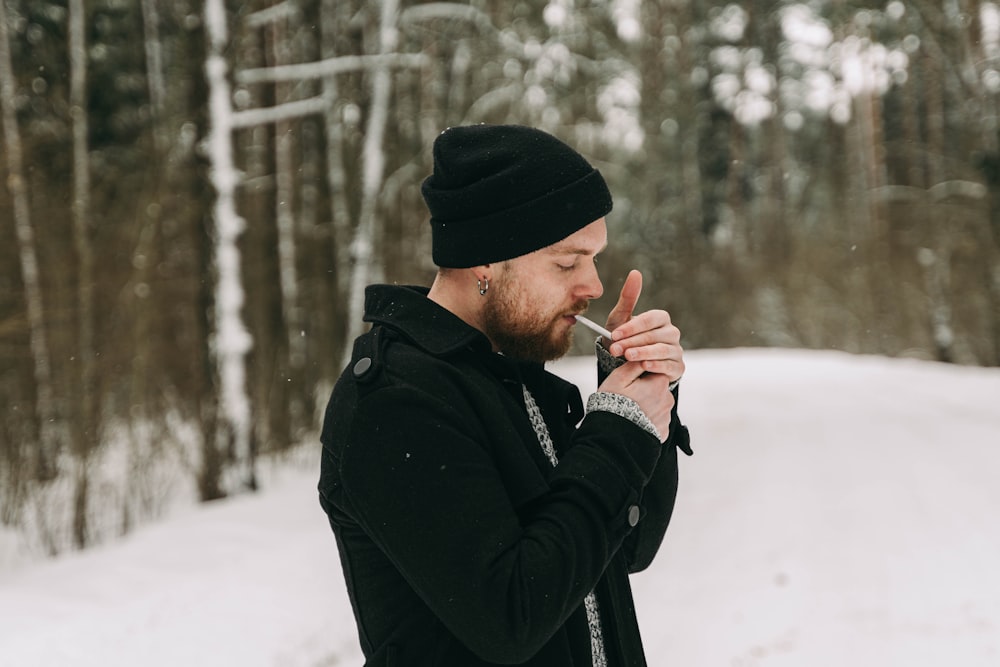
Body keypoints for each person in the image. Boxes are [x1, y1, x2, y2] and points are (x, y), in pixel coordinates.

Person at [318, 124, 692, 667]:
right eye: (567, 262)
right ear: (485, 261)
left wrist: (642, 397)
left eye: (594, 259)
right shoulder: (396, 402)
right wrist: (616, 431)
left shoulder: (515, 376)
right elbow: (512, 617)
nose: (592, 286)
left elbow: (628, 547)